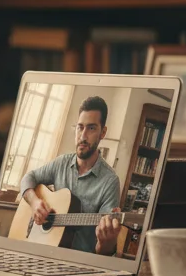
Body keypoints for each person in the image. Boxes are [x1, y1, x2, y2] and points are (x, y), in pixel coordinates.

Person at [18, 96, 123, 255]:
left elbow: (103, 253)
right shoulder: (61, 163)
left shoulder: (110, 181)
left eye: (91, 128)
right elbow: (28, 178)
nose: (83, 136)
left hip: (78, 265)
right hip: (42, 252)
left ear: (103, 132)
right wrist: (35, 203)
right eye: (80, 127)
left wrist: (106, 242)